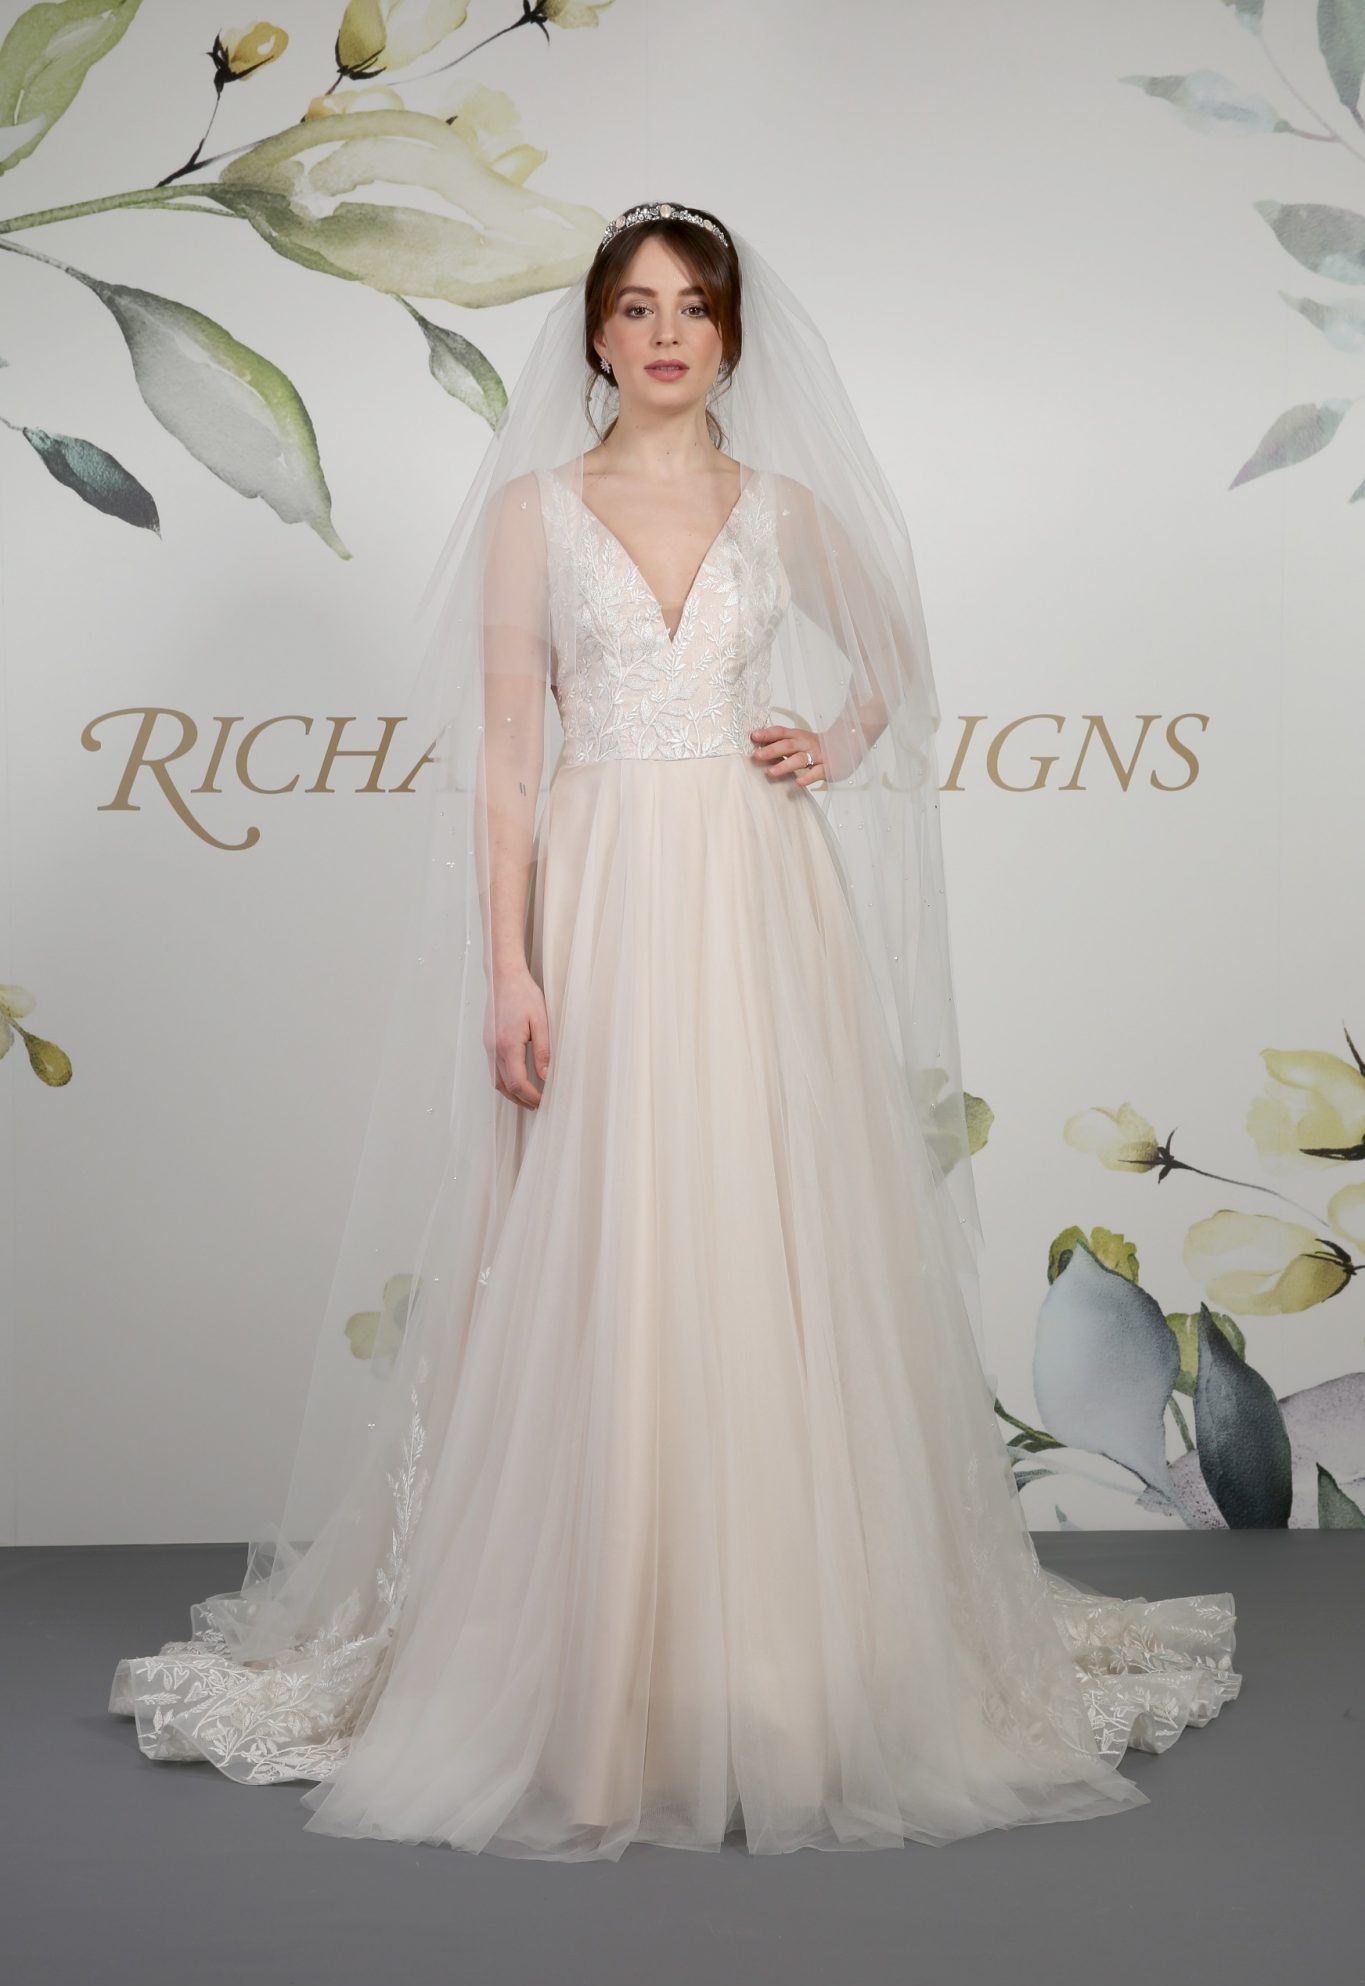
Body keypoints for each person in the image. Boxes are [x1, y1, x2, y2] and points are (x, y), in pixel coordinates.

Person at [110, 204, 1242, 1858]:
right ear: (592, 335)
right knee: (601, 1249)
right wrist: (509, 969)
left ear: (728, 339)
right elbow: (508, 762)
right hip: (600, 898)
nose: (663, 335)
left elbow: (896, 658)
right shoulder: (531, 514)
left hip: (756, 901)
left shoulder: (781, 510)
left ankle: (780, 1658)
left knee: (757, 1238)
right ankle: (597, 1659)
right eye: (635, 308)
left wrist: (833, 739)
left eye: (692, 308)